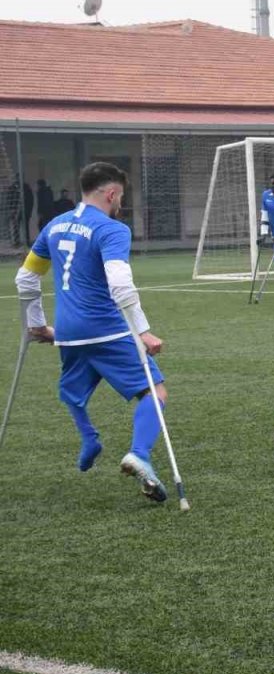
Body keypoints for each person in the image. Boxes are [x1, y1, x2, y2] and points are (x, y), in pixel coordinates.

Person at [13, 162, 170, 502]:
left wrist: (36, 323)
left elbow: (25, 278)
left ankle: (89, 438)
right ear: (111, 193)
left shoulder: (54, 226)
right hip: (106, 329)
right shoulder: (112, 229)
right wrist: (143, 331)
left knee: (73, 391)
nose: (120, 203)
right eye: (121, 197)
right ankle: (139, 454)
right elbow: (120, 284)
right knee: (154, 393)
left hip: (68, 331)